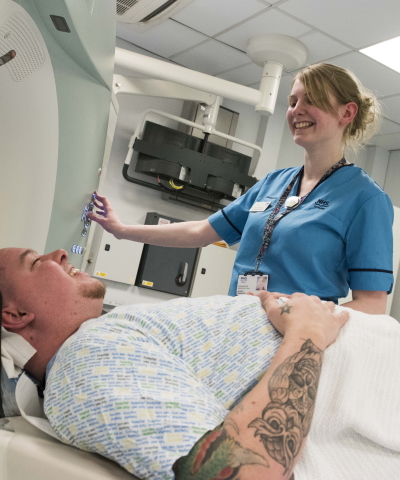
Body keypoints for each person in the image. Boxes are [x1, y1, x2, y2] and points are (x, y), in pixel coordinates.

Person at [2, 247, 400, 480]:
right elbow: (239, 474)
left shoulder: (101, 342)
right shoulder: (83, 365)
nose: (59, 253)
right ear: (15, 315)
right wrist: (306, 333)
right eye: (36, 262)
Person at [88, 63, 394, 315]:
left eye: (310, 99)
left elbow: (372, 304)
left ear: (347, 113)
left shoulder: (365, 200)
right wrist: (122, 230)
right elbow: (201, 233)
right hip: (238, 322)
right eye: (292, 102)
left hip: (294, 339)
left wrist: (296, 315)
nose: (297, 110)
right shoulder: (274, 183)